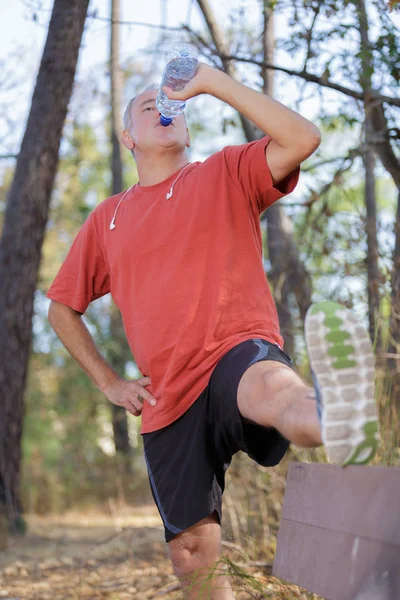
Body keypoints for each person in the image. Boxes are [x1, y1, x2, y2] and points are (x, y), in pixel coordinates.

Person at [47, 62, 379, 599]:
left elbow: (304, 137)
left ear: (187, 125)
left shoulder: (223, 172)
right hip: (166, 397)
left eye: (169, 103)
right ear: (128, 137)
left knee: (274, 390)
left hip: (235, 351)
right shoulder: (107, 219)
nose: (161, 107)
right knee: (191, 553)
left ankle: (339, 418)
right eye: (145, 106)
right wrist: (110, 382)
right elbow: (62, 307)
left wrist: (212, 82)